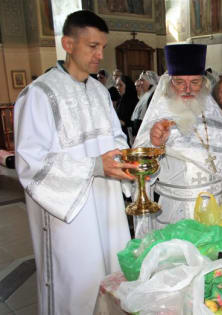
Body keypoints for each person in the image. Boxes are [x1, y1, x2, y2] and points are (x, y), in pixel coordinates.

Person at [13, 10, 136, 314]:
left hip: (108, 206)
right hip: (68, 214)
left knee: (112, 280)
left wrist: (125, 159)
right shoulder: (39, 95)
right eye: (92, 46)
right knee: (77, 286)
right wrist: (94, 166)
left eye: (103, 47)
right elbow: (31, 163)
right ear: (68, 44)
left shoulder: (99, 91)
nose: (100, 55)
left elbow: (115, 138)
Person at [133, 44, 222, 237]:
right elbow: (137, 171)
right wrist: (154, 146)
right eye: (180, 82)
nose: (187, 89)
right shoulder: (156, 122)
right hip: (175, 215)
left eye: (194, 82)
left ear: (203, 84)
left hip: (216, 214)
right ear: (169, 84)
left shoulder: (214, 117)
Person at [131, 71, 159, 137]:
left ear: (150, 80)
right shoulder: (147, 94)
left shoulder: (154, 94)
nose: (140, 83)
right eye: (140, 80)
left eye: (142, 80)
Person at [115, 75, 138, 142]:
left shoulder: (133, 100)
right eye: (116, 85)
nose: (118, 88)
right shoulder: (120, 100)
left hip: (129, 135)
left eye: (120, 85)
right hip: (121, 134)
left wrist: (121, 122)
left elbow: (134, 121)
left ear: (127, 85)